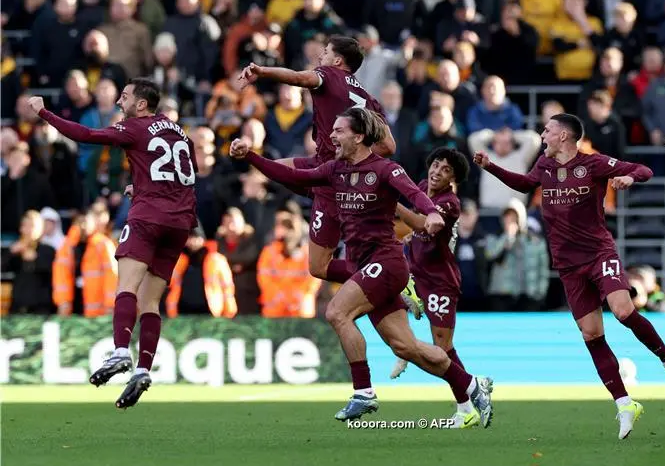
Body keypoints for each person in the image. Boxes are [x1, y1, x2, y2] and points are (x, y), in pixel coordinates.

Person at [229, 107, 493, 427]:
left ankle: (363, 391)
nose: (332, 136)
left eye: (339, 131)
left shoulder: (384, 169)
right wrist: (252, 158)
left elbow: (413, 193)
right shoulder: (335, 169)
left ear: (358, 136)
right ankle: (469, 385)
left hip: (385, 261)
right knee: (406, 347)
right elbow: (294, 176)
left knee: (337, 312)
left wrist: (432, 213)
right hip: (364, 265)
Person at [474, 113, 665, 440]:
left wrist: (629, 179)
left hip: (599, 253)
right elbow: (524, 184)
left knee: (622, 310)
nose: (542, 135)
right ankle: (624, 404)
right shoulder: (544, 168)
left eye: (547, 130)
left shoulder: (593, 164)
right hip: (568, 265)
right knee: (591, 335)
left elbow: (644, 169)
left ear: (563, 135)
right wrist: (490, 166)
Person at [28, 78, 198, 409]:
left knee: (126, 288)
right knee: (151, 303)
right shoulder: (181, 134)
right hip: (179, 224)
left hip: (148, 218)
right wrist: (143, 185)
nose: (119, 102)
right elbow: (182, 176)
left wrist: (43, 112)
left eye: (125, 97)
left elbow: (86, 136)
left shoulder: (135, 127)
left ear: (142, 105)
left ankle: (120, 351)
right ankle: (143, 370)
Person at [238, 36, 399, 294]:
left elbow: (299, 78)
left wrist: (262, 70)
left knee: (318, 267)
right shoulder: (368, 99)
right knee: (271, 169)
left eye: (325, 52)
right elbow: (389, 146)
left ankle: (383, 275)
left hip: (331, 178)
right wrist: (354, 157)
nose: (320, 57)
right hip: (327, 165)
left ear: (337, 61)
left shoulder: (329, 74)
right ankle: (382, 272)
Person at [389, 147, 479, 428]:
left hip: (440, 281)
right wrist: (408, 239)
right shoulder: (424, 186)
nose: (437, 172)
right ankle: (404, 346)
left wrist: (392, 203)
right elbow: (414, 227)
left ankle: (468, 405)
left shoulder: (450, 203)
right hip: (416, 272)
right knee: (383, 294)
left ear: (454, 179)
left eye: (445, 170)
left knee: (444, 349)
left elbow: (423, 224)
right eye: (436, 165)